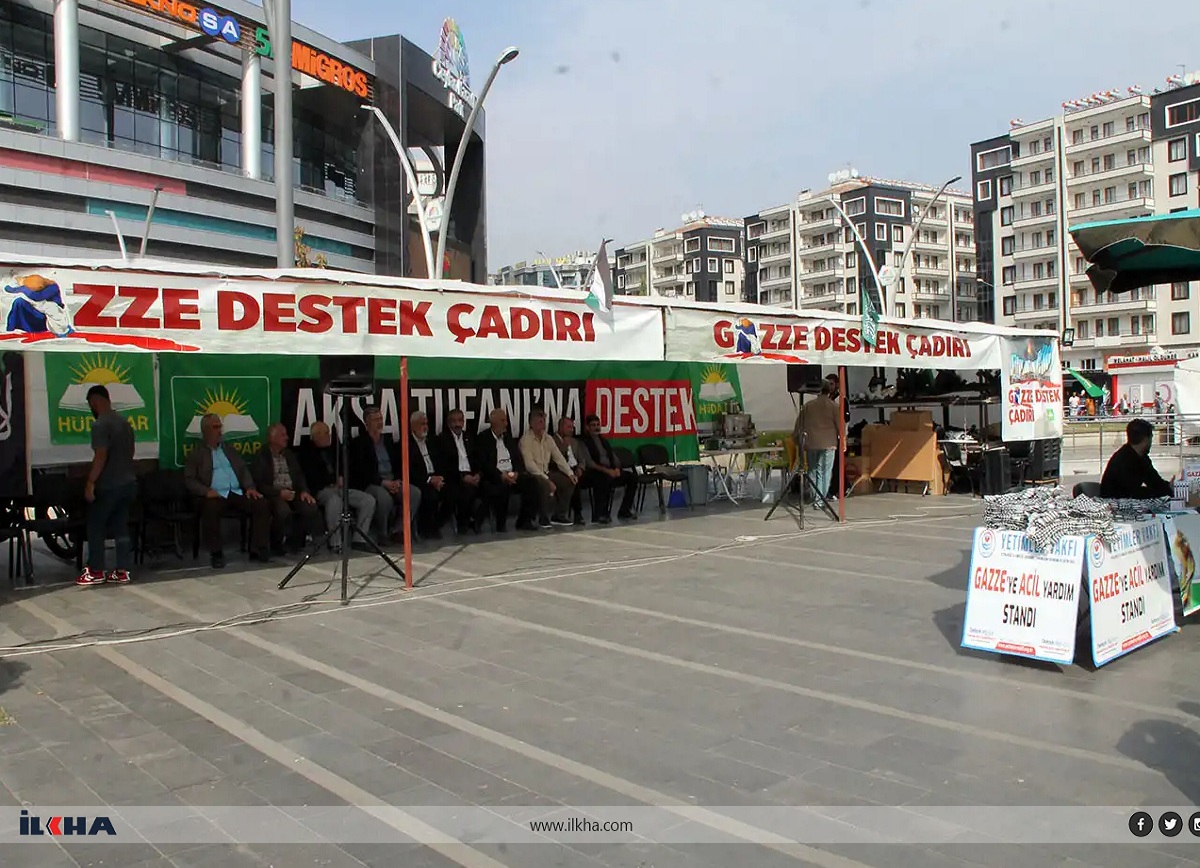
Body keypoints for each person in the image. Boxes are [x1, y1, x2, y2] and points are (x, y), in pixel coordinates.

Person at [184, 413, 272, 568]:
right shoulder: (197, 454)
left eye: (220, 427)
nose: (219, 431)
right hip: (215, 494)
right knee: (210, 508)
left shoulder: (229, 450)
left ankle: (258, 549)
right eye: (215, 427)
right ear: (206, 431)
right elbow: (190, 480)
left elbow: (243, 470)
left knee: (261, 504)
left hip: (236, 492)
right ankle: (216, 553)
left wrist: (250, 487)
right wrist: (206, 491)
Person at [77, 385, 137, 587]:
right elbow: (131, 452)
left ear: (94, 402)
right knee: (121, 527)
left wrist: (91, 482)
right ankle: (122, 570)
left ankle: (95, 570)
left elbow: (100, 456)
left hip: (109, 485)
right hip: (128, 482)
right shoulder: (125, 423)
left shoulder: (100, 425)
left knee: (95, 526)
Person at [295, 421, 375, 551]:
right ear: (316, 436)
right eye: (325, 434)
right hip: (322, 490)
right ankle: (335, 543)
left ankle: (359, 539)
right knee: (334, 501)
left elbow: (346, 467)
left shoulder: (335, 449)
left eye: (328, 433)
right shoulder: (306, 453)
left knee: (368, 500)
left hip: (340, 488)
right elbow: (313, 478)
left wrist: (342, 477)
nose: (328, 436)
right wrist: (334, 480)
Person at [349, 406, 421, 544]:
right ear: (367, 423)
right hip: (372, 483)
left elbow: (397, 462)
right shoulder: (359, 443)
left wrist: (397, 480)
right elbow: (362, 471)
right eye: (375, 419)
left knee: (414, 493)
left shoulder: (387, 440)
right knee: (384, 497)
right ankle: (383, 533)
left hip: (392, 479)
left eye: (381, 418)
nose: (379, 422)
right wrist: (383, 483)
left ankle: (398, 530)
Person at [252, 423, 323, 555]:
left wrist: (304, 491)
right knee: (282, 510)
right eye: (283, 435)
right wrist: (279, 493)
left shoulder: (289, 455)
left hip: (292, 491)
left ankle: (295, 542)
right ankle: (276, 543)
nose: (287, 438)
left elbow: (299, 475)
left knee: (309, 506)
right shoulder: (262, 456)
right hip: (274, 493)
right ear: (272, 438)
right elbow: (259, 484)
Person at [473, 408, 539, 532]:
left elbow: (518, 459)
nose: (506, 424)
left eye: (506, 420)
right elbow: (484, 464)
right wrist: (500, 475)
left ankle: (524, 521)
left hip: (511, 473)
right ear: (493, 422)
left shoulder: (508, 438)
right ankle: (499, 524)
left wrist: (517, 473)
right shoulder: (483, 439)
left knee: (531, 482)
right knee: (499, 487)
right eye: (503, 420)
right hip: (494, 476)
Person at [519, 408, 575, 528]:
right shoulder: (525, 440)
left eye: (544, 421)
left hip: (547, 472)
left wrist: (570, 473)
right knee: (544, 484)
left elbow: (558, 457)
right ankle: (543, 518)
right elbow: (529, 465)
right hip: (533, 474)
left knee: (568, 481)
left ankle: (559, 515)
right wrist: (546, 479)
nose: (543, 425)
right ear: (531, 424)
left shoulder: (548, 438)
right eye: (540, 422)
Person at [579, 414, 638, 522]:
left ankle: (624, 510)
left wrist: (616, 469)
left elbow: (614, 458)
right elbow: (590, 463)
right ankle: (599, 514)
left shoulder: (604, 441)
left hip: (610, 470)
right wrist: (608, 471)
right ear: (587, 427)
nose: (596, 427)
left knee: (632, 478)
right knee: (603, 479)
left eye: (598, 425)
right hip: (594, 472)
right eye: (593, 425)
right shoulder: (584, 442)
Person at [1100, 418, 1173, 500]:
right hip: (1116, 506)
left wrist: (1169, 487)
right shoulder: (1123, 460)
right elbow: (1133, 493)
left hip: (1128, 502)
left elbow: (1155, 482)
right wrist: (1166, 491)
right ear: (1146, 439)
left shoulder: (1142, 458)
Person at [795, 380, 840, 506]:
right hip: (829, 443)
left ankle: (815, 495)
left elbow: (799, 423)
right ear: (829, 390)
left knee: (812, 470)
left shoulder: (808, 406)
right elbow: (840, 426)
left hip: (811, 442)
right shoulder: (834, 406)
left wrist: (796, 438)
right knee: (824, 472)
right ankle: (820, 500)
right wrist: (844, 440)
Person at [437, 409, 483, 534]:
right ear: (448, 423)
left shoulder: (469, 437)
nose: (457, 424)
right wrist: (463, 477)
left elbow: (477, 459)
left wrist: (478, 474)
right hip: (455, 477)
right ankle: (464, 523)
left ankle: (477, 520)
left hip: (472, 475)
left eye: (460, 420)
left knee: (492, 487)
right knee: (464, 490)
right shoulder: (442, 440)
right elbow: (444, 466)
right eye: (454, 421)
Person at [408, 411, 450, 540]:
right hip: (420, 480)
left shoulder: (431, 441)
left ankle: (436, 524)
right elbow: (411, 471)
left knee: (452, 494)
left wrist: (439, 477)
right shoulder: (406, 445)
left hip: (435, 477)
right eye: (422, 424)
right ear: (413, 426)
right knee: (430, 495)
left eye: (426, 424)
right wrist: (429, 480)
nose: (425, 427)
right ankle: (426, 528)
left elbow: (440, 462)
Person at [553, 417, 589, 525]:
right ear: (560, 427)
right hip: (561, 470)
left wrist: (580, 468)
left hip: (575, 468)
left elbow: (582, 459)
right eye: (568, 427)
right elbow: (555, 460)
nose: (571, 430)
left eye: (572, 427)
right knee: (573, 481)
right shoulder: (552, 441)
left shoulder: (575, 442)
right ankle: (577, 514)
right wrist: (564, 445)